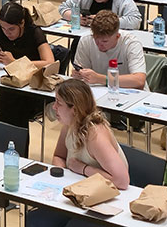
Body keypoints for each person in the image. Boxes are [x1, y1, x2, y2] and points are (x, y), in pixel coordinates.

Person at [23, 78, 133, 227]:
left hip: (104, 199)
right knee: (37, 220)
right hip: (77, 191)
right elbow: (58, 156)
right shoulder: (69, 124)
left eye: (59, 103)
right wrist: (61, 177)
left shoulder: (95, 135)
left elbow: (122, 180)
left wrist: (82, 169)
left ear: (74, 109)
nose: (54, 107)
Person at [0, 2, 54, 128]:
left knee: (13, 104)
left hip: (31, 89)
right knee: (7, 97)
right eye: (3, 28)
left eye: (11, 29)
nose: (7, 33)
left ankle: (12, 142)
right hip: (7, 86)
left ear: (22, 23)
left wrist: (15, 63)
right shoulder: (0, 31)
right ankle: (6, 141)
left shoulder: (34, 32)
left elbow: (49, 62)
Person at [70, 11, 147, 89]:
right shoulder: (86, 40)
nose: (99, 44)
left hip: (130, 92)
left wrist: (100, 79)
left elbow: (139, 81)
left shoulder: (131, 43)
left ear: (117, 36)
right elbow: (81, 75)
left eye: (105, 41)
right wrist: (78, 75)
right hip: (99, 91)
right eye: (96, 39)